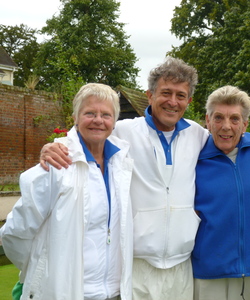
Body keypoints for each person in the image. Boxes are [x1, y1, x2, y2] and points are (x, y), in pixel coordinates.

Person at [39, 57, 209, 300]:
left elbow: (232, 143)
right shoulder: (122, 131)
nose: (173, 102)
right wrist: (53, 146)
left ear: (189, 101)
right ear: (149, 95)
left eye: (180, 96)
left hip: (181, 266)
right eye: (166, 93)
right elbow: (85, 135)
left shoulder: (199, 135)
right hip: (135, 265)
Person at [0, 83, 134, 300]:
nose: (98, 120)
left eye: (106, 115)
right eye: (90, 113)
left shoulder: (122, 164)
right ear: (75, 117)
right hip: (66, 293)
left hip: (114, 293)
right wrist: (40, 272)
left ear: (114, 121)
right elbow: (15, 233)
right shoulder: (55, 166)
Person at [192, 85, 250, 300]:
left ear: (245, 124)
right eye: (218, 118)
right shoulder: (193, 157)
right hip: (208, 269)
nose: (226, 126)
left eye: (235, 119)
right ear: (208, 121)